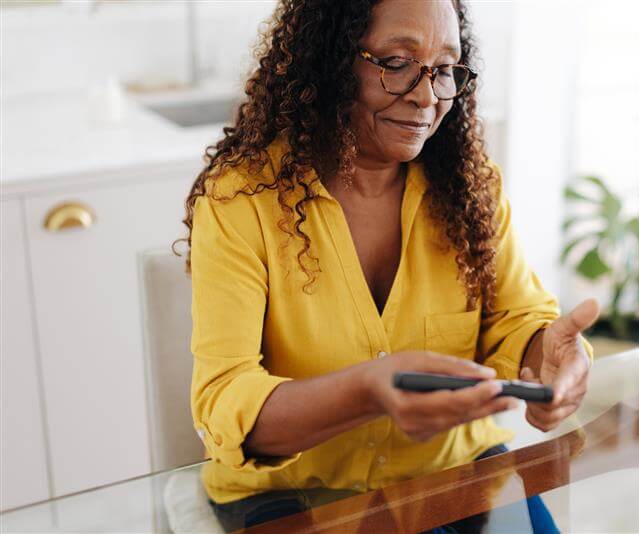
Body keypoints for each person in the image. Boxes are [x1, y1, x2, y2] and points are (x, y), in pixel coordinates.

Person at [180, 0, 599, 531]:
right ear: (329, 62)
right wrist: (363, 391)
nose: (426, 96)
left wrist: (548, 354)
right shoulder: (243, 200)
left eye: (444, 69)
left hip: (454, 471)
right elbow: (223, 399)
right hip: (296, 494)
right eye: (397, 63)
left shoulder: (470, 188)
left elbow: (515, 318)